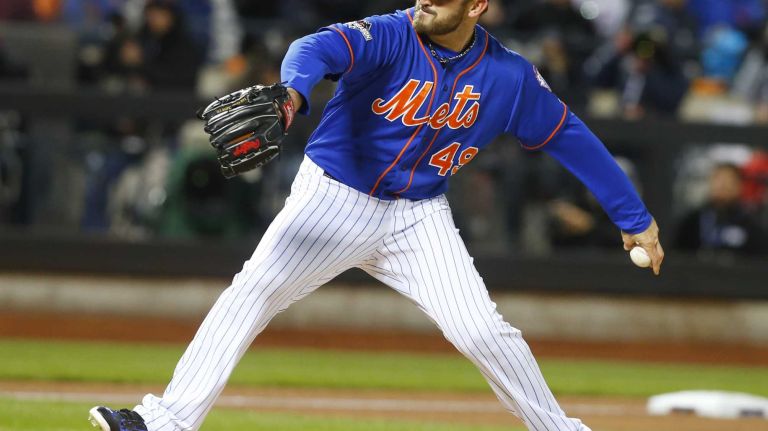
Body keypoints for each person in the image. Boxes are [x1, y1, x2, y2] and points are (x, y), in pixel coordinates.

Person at [88, 1, 664, 430]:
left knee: (482, 329)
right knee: (254, 290)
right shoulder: (391, 33)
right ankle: (163, 422)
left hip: (419, 217)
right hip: (333, 196)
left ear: (477, 6)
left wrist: (632, 215)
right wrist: (292, 95)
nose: (424, 0)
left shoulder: (509, 77)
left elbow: (569, 135)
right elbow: (313, 49)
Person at [676, 163, 766, 255]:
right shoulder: (692, 221)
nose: (722, 185)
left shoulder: (750, 225)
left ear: (739, 186)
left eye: (729, 180)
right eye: (718, 179)